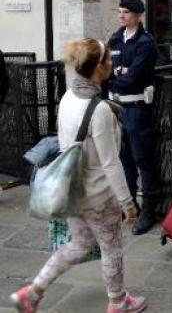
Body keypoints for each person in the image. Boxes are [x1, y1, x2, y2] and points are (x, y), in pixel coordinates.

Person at [10, 38, 147, 313]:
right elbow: (110, 163)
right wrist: (127, 202)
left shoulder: (68, 97)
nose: (112, 63)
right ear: (98, 67)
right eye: (108, 59)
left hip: (72, 191)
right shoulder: (100, 110)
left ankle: (33, 291)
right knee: (112, 248)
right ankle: (118, 301)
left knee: (81, 243)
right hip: (99, 195)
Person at [107, 0, 160, 235]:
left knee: (143, 160)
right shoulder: (115, 38)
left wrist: (119, 74)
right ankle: (130, 205)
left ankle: (150, 209)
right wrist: (118, 72)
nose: (121, 16)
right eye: (119, 12)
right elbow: (105, 71)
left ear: (138, 15)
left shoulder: (145, 43)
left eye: (125, 12)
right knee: (124, 160)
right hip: (116, 109)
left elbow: (135, 78)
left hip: (137, 109)